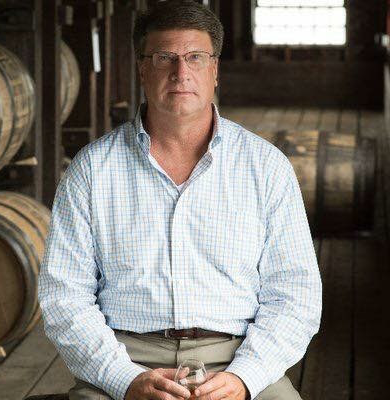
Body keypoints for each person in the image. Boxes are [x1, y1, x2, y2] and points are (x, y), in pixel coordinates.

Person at [38, 1, 322, 399]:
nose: (180, 72)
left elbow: (295, 295)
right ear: (142, 69)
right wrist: (124, 379)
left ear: (215, 70)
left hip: (235, 356)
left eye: (195, 57)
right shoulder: (91, 169)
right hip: (128, 357)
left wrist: (245, 378)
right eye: (164, 58)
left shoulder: (266, 166)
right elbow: (64, 297)